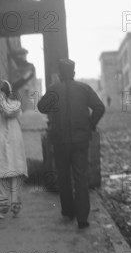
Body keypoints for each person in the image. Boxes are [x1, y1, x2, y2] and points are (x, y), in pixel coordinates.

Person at [37, 59, 105, 229]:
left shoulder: (53, 90)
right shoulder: (84, 88)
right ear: (74, 73)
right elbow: (99, 107)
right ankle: (83, 219)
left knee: (64, 176)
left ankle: (68, 211)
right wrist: (89, 124)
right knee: (81, 178)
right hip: (80, 139)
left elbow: (41, 107)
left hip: (59, 140)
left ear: (60, 74)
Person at [0, 80, 28, 219]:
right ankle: (1, 208)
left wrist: (0, 101)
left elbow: (8, 112)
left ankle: (16, 205)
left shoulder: (15, 104)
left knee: (15, 173)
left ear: (6, 93)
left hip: (13, 145)